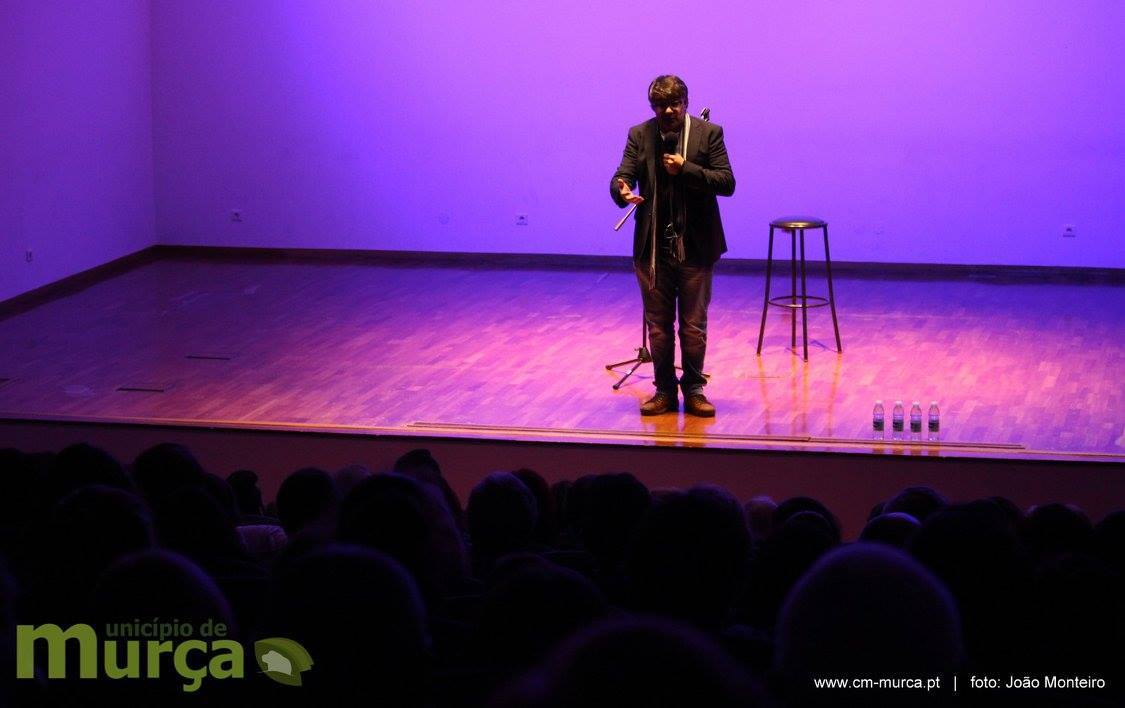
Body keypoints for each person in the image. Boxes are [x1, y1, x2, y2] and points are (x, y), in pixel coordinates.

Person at [611, 75, 735, 416]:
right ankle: (664, 389)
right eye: (660, 105)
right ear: (652, 107)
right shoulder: (640, 134)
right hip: (653, 248)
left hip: (695, 246)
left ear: (686, 103)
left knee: (693, 326)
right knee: (658, 327)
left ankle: (694, 389)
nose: (668, 111)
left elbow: (726, 182)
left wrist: (687, 169)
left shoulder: (709, 133)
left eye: (674, 104)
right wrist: (621, 189)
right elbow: (622, 174)